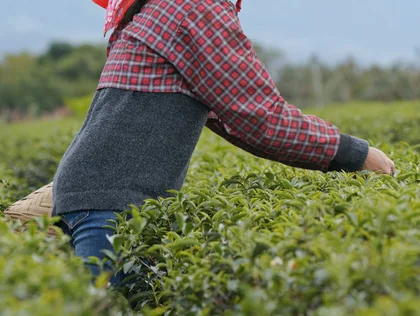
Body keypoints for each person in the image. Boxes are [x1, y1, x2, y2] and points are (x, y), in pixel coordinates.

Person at [52, 0, 396, 287]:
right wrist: (356, 154)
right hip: (109, 205)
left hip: (97, 196)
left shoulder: (162, 6)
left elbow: (234, 118)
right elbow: (262, 116)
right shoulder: (195, 6)